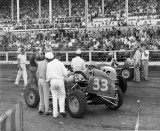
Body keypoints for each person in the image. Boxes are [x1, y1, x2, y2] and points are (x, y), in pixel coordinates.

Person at [46, 52, 70, 118]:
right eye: (60, 56)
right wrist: (68, 72)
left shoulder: (49, 64)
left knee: (54, 97)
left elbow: (48, 75)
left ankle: (55, 114)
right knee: (62, 96)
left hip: (52, 81)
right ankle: (62, 110)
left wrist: (48, 81)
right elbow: (65, 73)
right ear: (58, 56)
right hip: (60, 81)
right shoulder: (60, 63)